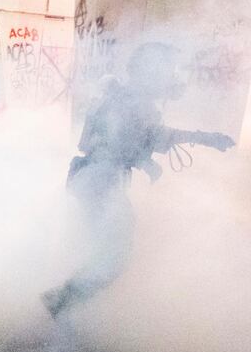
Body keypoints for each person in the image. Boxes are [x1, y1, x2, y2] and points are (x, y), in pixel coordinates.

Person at [42, 43, 235, 317]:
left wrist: (144, 159)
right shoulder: (133, 102)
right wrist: (205, 138)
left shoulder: (120, 97)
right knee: (113, 257)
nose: (169, 76)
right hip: (102, 180)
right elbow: (150, 137)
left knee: (103, 251)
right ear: (149, 71)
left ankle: (64, 311)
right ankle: (60, 304)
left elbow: (110, 140)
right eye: (165, 69)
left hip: (93, 178)